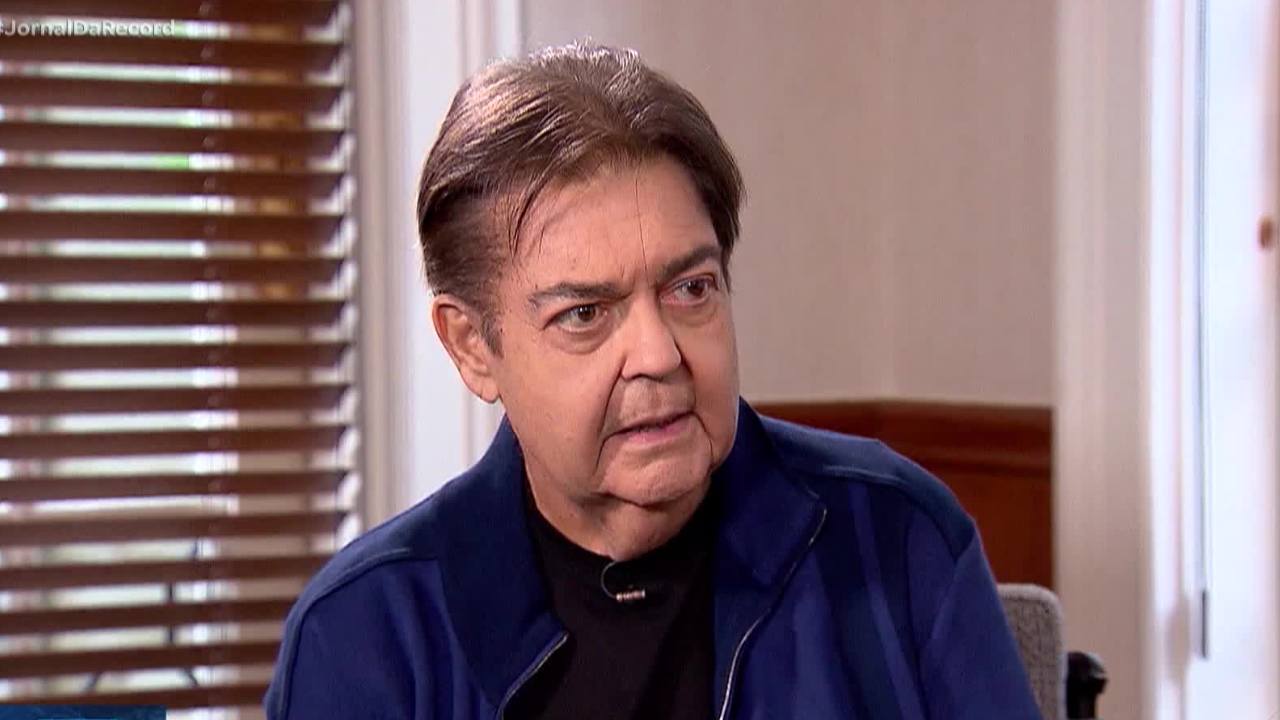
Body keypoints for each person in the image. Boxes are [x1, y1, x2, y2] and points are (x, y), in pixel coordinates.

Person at [264, 42, 1040, 720]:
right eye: (584, 314)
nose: (659, 354)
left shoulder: (895, 539)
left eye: (690, 290)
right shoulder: (365, 634)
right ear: (473, 347)